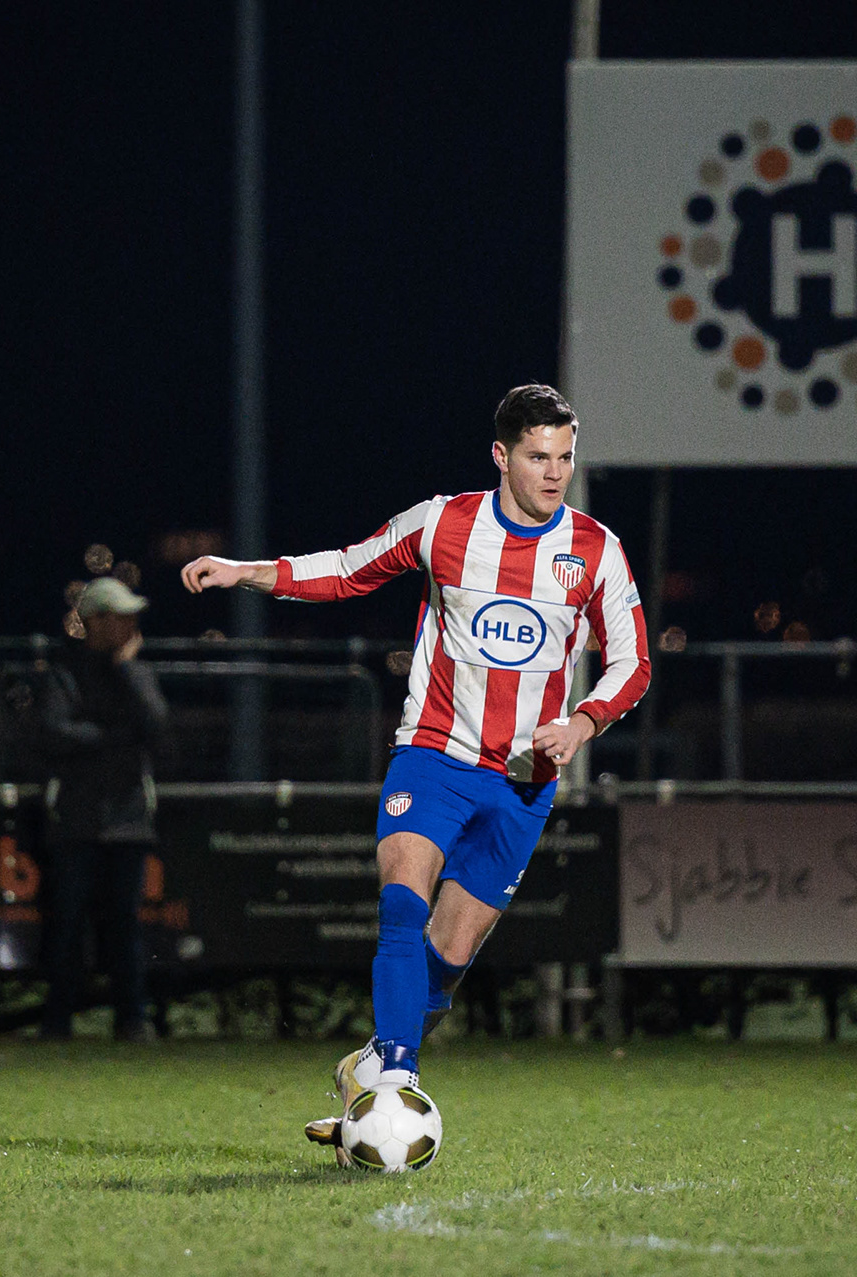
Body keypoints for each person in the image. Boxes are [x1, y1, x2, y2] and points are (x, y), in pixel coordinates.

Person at [181, 383, 651, 1158]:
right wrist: (246, 571)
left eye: (565, 457)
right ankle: (396, 1080)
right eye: (538, 456)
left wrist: (583, 720)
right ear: (501, 455)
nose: (554, 473)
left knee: (450, 956)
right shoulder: (442, 524)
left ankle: (367, 1065)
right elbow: (346, 569)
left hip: (524, 781)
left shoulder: (595, 549)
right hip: (433, 754)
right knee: (402, 901)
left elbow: (633, 662)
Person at [36, 576, 168, 1043]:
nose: (131, 624)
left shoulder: (136, 672)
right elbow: (54, 733)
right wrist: (117, 739)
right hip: (75, 820)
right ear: (94, 621)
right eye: (120, 616)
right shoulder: (63, 674)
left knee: (125, 927)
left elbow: (157, 727)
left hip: (128, 822)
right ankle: (57, 1021)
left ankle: (132, 1020)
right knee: (67, 925)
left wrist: (128, 671)